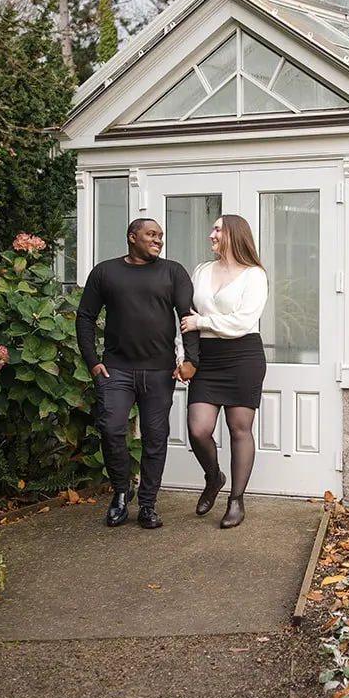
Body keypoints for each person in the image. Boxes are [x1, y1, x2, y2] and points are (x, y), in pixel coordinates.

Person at [76, 217, 200, 529]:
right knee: (112, 429)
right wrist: (92, 360)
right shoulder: (105, 272)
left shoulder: (173, 272)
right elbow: (85, 317)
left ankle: (148, 504)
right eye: (151, 235)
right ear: (132, 237)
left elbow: (188, 317)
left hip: (159, 372)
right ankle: (121, 491)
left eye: (160, 236)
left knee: (155, 438)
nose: (158, 240)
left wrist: (191, 361)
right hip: (116, 370)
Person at [179, 214, 269, 529]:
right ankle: (214, 477)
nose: (211, 234)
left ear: (233, 233)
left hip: (243, 356)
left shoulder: (254, 275)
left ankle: (236, 500)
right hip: (207, 357)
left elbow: (243, 321)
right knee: (198, 429)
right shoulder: (202, 271)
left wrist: (202, 322)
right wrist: (185, 357)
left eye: (217, 229)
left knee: (239, 429)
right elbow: (186, 319)